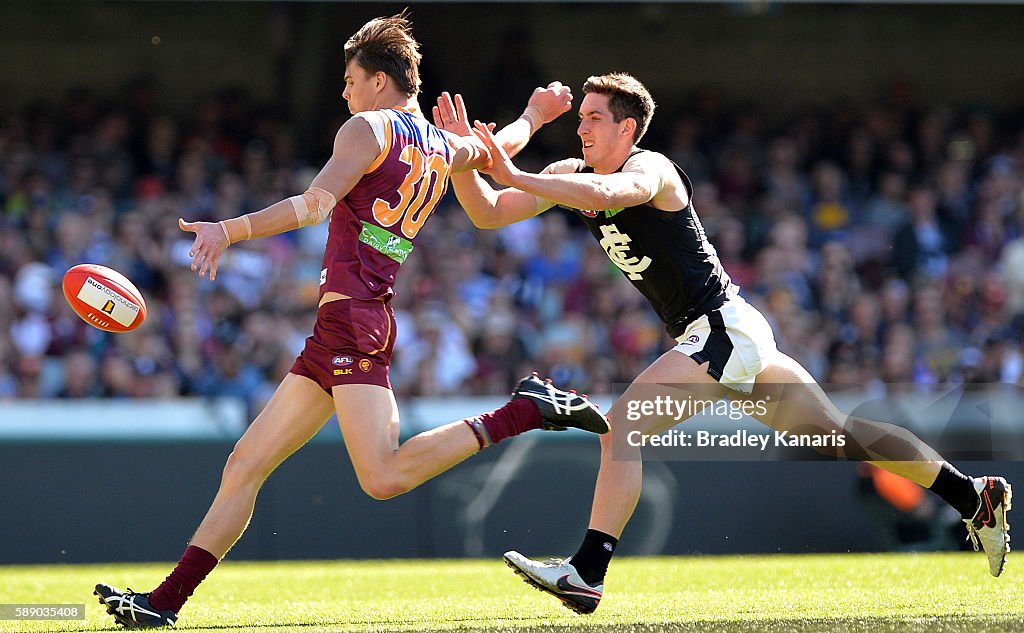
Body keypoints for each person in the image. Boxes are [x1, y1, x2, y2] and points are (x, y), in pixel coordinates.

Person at [94, 14, 608, 628]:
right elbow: (495, 150)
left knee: (383, 477)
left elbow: (315, 205)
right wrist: (535, 115)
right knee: (245, 464)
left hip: (356, 320)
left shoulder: (368, 127)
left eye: (350, 78)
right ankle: (163, 603)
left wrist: (227, 229)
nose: (343, 91)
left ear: (380, 82)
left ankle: (526, 410)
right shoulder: (441, 144)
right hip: (346, 324)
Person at [435, 72, 1011, 615]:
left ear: (626, 128)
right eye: (579, 118)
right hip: (724, 331)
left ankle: (587, 572)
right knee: (839, 435)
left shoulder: (651, 168)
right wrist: (467, 160)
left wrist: (514, 172)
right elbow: (488, 214)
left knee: (621, 429)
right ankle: (971, 495)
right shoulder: (571, 172)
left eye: (592, 118)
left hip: (722, 329)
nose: (580, 128)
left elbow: (614, 192)